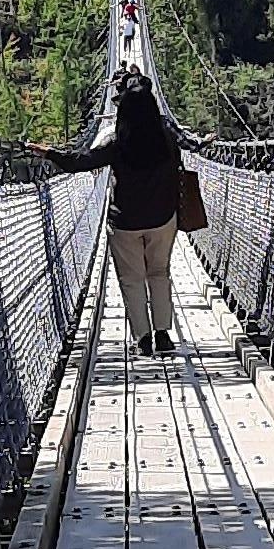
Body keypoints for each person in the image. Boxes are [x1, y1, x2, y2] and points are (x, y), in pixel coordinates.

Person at [46, 68, 184, 356]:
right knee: (159, 273)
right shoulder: (167, 137)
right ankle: (164, 334)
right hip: (162, 217)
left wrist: (49, 152)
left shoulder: (116, 142)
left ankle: (143, 339)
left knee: (132, 278)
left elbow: (79, 162)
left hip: (125, 221)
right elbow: (186, 150)